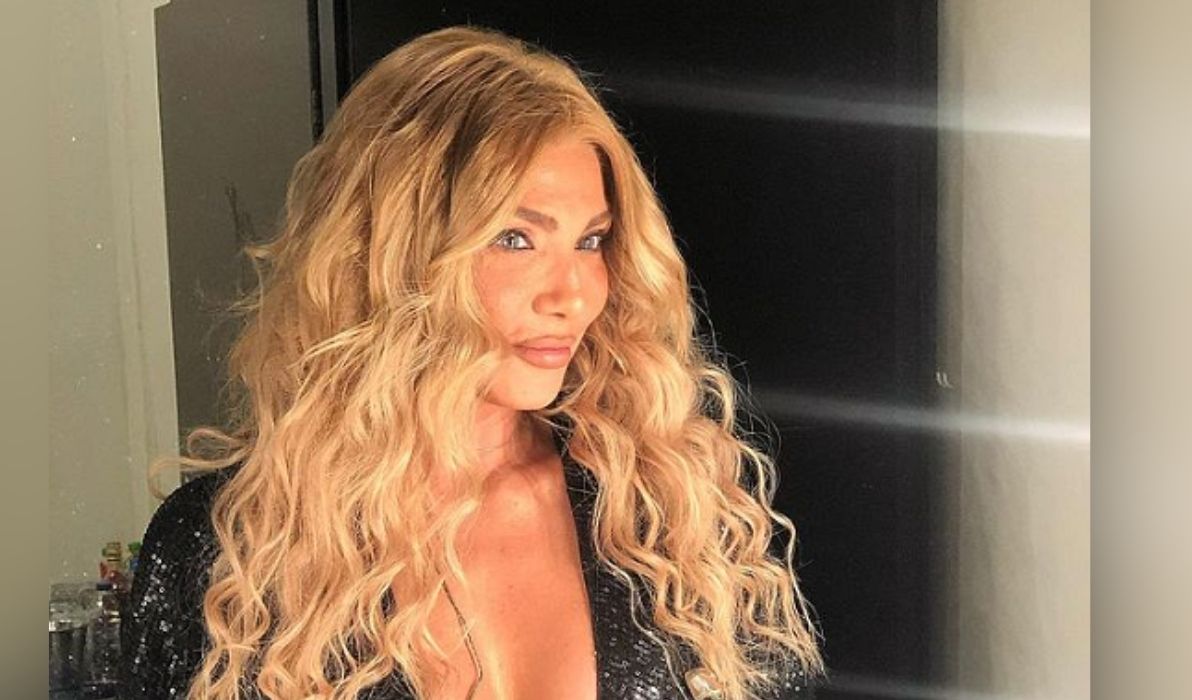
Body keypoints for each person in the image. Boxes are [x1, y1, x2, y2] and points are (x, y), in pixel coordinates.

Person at [118, 25, 825, 700]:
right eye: (515, 239)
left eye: (590, 241)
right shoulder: (229, 552)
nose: (574, 296)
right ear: (392, 257)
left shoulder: (668, 511)